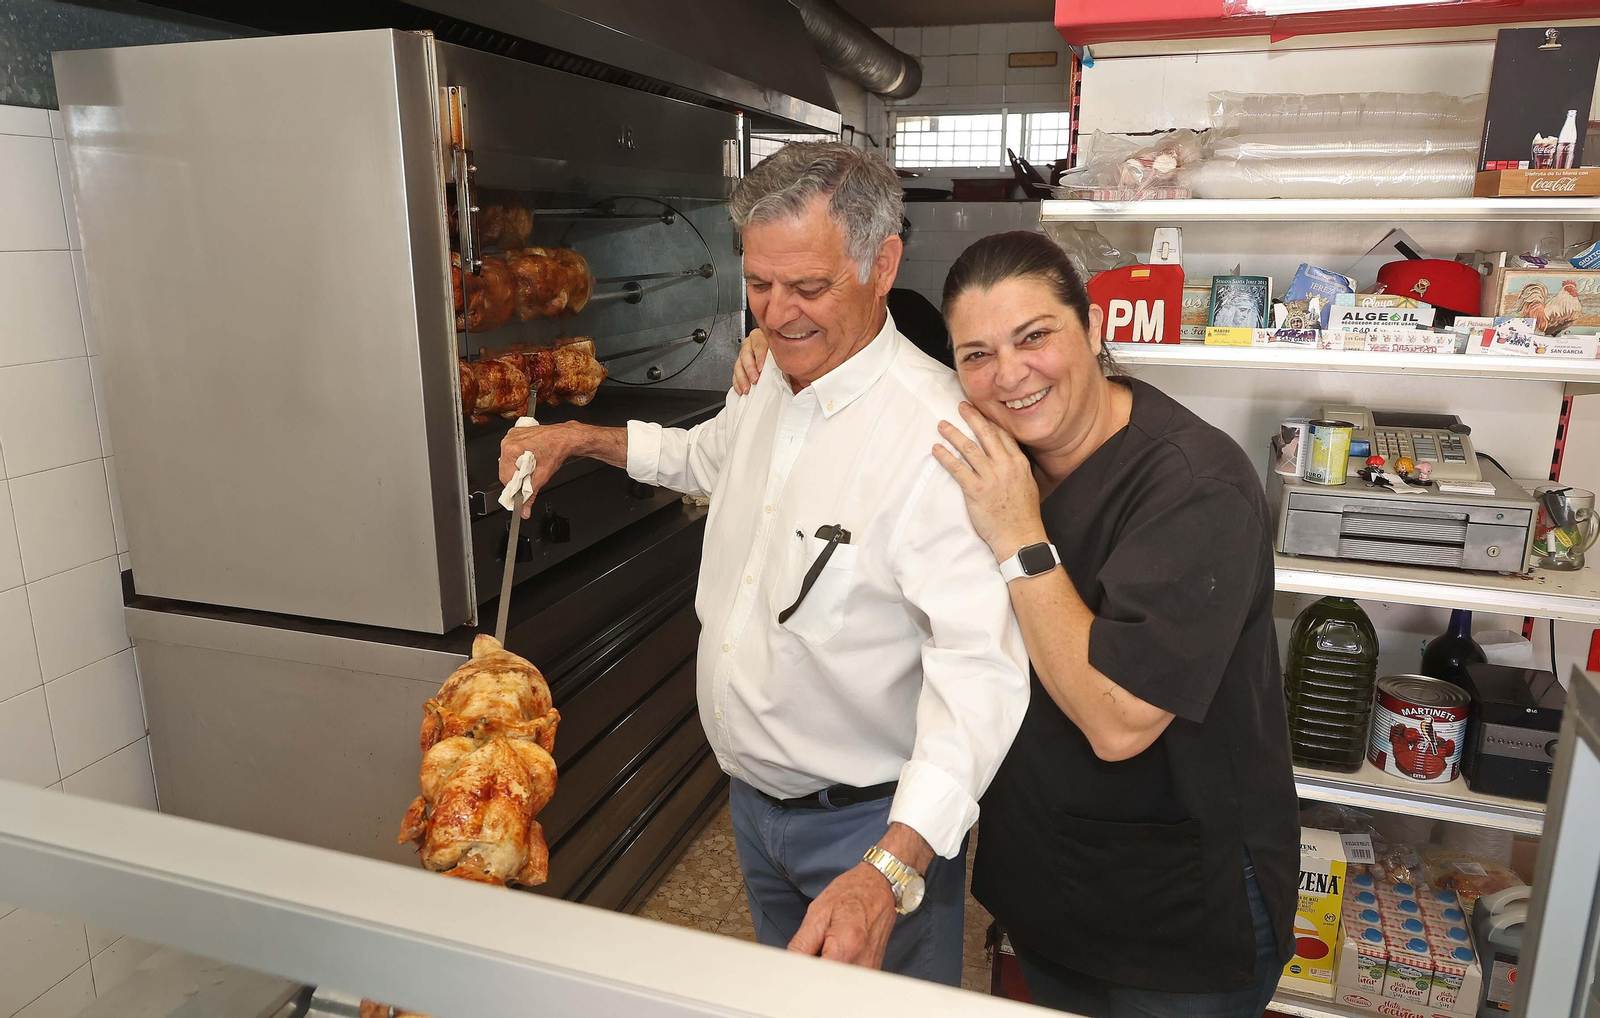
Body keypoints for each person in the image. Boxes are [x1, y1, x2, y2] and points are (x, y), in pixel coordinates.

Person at [732, 230, 1299, 1018]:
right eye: (977, 355)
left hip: (1174, 912)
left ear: (1095, 329)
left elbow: (1118, 721)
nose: (1010, 374)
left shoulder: (1196, 485)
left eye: (1035, 337)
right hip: (1046, 886)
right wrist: (774, 349)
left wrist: (1018, 538)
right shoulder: (997, 451)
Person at [498, 143, 1029, 983]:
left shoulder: (940, 439)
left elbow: (981, 675)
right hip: (753, 809)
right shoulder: (773, 379)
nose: (777, 316)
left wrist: (891, 870)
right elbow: (705, 458)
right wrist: (579, 437)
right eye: (758, 285)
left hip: (868, 833)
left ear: (881, 263)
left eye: (808, 288)